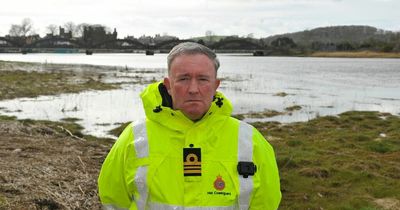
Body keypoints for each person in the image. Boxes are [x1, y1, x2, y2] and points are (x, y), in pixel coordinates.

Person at [98, 42, 281, 210]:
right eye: (184, 79)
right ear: (168, 85)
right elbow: (113, 200)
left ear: (216, 85)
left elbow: (266, 202)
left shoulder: (250, 141)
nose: (193, 89)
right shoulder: (134, 137)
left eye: (203, 79)